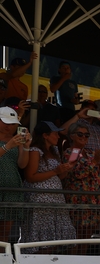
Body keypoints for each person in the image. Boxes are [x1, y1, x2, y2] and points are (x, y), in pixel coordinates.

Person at [21, 121, 76, 253]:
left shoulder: (54, 150)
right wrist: (55, 171)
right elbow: (30, 176)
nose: (58, 136)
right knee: (42, 241)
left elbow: (58, 176)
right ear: (45, 135)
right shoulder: (35, 151)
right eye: (55, 134)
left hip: (56, 199)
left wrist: (65, 169)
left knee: (53, 241)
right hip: (40, 200)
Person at [62, 122, 100, 255]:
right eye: (80, 134)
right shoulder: (72, 152)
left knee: (87, 234)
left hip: (95, 199)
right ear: (72, 136)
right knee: (77, 234)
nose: (84, 137)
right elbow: (76, 173)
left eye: (86, 135)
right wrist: (96, 161)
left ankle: (82, 258)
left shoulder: (90, 152)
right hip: (80, 199)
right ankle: (74, 259)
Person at [0, 106, 31, 247]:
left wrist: (26, 146)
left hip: (11, 189)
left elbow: (22, 164)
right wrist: (8, 146)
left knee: (4, 234)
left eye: (12, 124)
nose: (9, 126)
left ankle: (3, 260)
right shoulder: (11, 142)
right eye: (6, 122)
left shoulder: (15, 139)